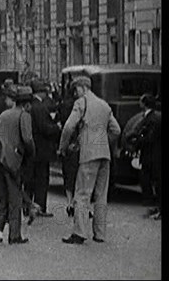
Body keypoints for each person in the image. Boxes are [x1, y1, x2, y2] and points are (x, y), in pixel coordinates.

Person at [59, 76, 121, 244]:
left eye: (76, 89)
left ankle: (79, 233)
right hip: (104, 155)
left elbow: (68, 127)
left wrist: (63, 147)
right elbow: (116, 130)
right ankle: (100, 234)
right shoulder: (104, 105)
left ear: (82, 87)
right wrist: (102, 142)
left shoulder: (81, 103)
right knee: (101, 195)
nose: (75, 93)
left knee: (82, 193)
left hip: (88, 155)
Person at [0, 85, 35, 244]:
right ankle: (14, 235)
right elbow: (27, 139)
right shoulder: (24, 116)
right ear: (27, 104)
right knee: (15, 199)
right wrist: (30, 153)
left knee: (3, 197)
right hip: (10, 161)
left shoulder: (4, 114)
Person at [23, 79, 61, 217]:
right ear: (42, 93)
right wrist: (57, 127)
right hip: (41, 149)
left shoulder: (30, 105)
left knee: (29, 179)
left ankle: (27, 206)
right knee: (41, 179)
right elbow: (45, 128)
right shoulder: (39, 107)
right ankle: (39, 207)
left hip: (31, 149)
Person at [129, 94, 161, 219]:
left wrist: (137, 140)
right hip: (152, 154)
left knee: (153, 180)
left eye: (140, 101)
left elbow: (149, 137)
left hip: (152, 154)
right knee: (151, 179)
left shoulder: (152, 118)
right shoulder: (153, 116)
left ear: (144, 103)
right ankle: (154, 205)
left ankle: (155, 205)